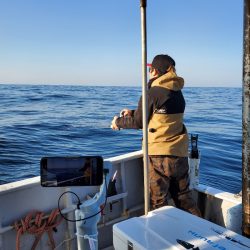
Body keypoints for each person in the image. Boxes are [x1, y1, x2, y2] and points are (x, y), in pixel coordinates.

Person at [110, 54, 201, 217]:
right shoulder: (177, 93)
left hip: (159, 156)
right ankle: (200, 228)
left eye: (150, 69)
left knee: (158, 201)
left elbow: (139, 123)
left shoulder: (152, 93)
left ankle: (163, 238)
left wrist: (118, 122)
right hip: (179, 154)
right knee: (184, 198)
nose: (149, 72)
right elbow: (161, 115)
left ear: (154, 71)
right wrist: (132, 112)